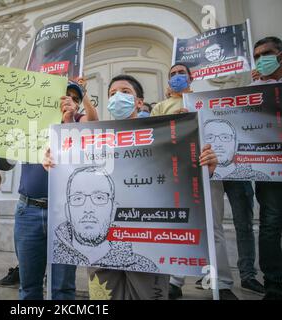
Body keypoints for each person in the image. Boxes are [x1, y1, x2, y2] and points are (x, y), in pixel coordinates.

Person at [44, 74, 218, 300]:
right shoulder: (93, 139)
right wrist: (53, 163)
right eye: (112, 94)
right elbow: (70, 169)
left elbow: (183, 177)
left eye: (125, 92)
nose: (118, 97)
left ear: (139, 101)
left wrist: (207, 167)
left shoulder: (163, 136)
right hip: (100, 251)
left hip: (149, 248)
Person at [150, 64, 238, 300]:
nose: (177, 77)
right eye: (172, 74)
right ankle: (176, 282)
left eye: (181, 73)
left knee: (214, 229)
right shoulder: (160, 107)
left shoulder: (206, 102)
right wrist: (172, 122)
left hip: (207, 170)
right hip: (175, 173)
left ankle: (223, 284)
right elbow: (152, 136)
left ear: (192, 77)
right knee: (180, 228)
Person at [15, 78, 98, 300]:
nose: (69, 100)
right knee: (29, 286)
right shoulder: (31, 120)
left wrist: (72, 115)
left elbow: (94, 123)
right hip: (29, 212)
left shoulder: (78, 122)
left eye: (76, 98)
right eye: (65, 95)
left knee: (62, 288)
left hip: (64, 215)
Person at [227, 36, 282, 300]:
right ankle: (273, 282)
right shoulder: (253, 89)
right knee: (271, 225)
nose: (262, 59)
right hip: (271, 171)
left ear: (281, 55)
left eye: (267, 54)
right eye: (257, 55)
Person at [53, 166, 158, 272]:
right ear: (67, 211)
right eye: (78, 198)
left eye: (99, 197)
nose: (88, 209)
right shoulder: (52, 253)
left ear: (113, 210)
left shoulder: (144, 267)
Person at [205, 119, 271, 180]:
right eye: (210, 138)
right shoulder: (197, 176)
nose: (218, 144)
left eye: (225, 137)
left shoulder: (259, 177)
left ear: (236, 143)